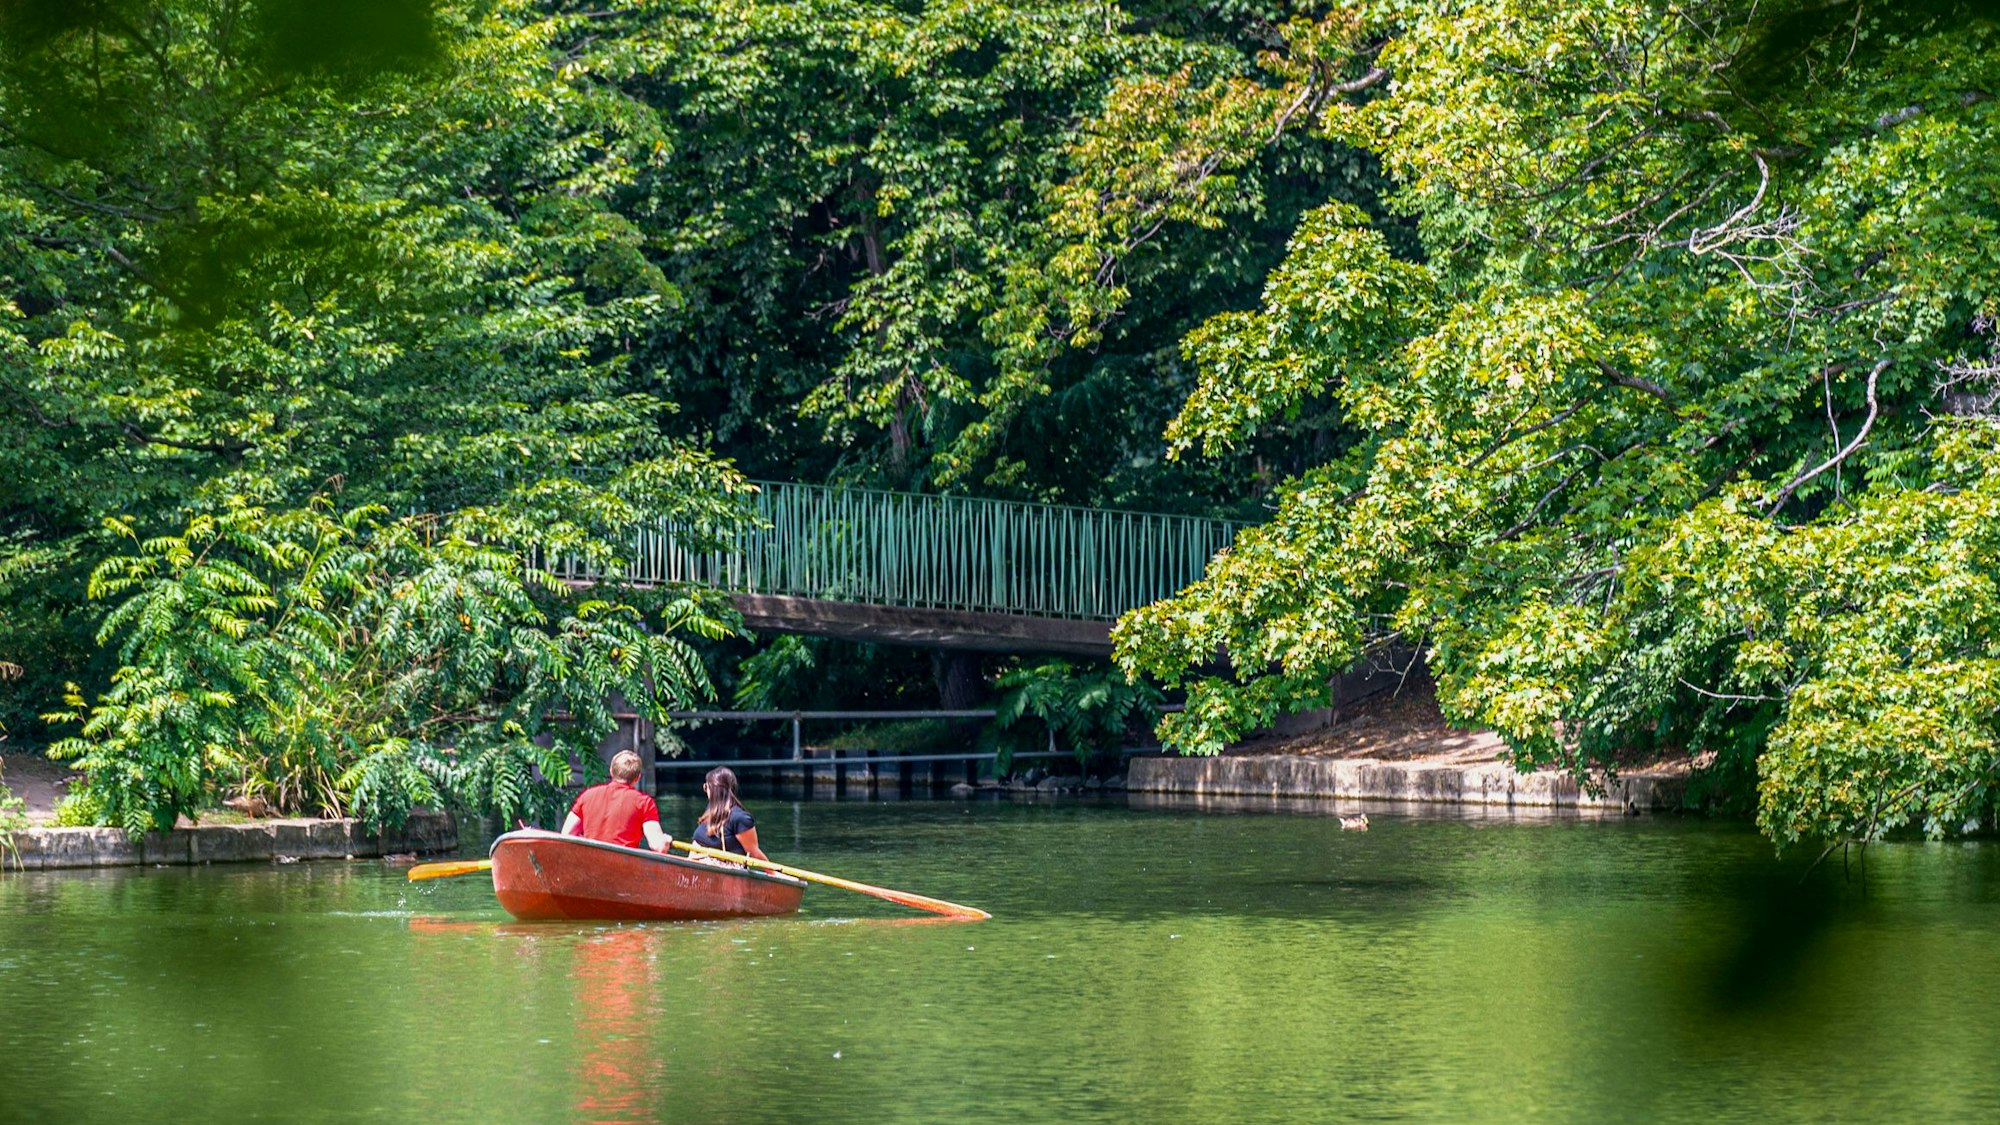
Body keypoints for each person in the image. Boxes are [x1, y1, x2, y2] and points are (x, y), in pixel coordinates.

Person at [562, 750, 673, 853]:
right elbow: (658, 846)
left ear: (611, 771)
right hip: (623, 867)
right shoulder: (644, 803)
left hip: (589, 861)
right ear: (638, 778)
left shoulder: (587, 795)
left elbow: (566, 834)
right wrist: (665, 841)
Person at [689, 766, 769, 863]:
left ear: (714, 790)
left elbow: (754, 853)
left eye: (706, 787)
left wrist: (774, 874)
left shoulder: (740, 818)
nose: (705, 791)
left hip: (725, 870)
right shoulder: (710, 812)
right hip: (697, 867)